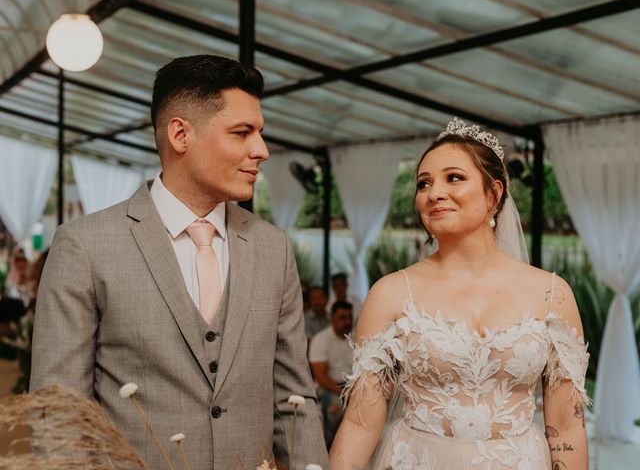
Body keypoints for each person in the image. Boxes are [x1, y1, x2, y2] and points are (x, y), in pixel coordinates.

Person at [31, 55, 328, 470]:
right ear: (180, 134)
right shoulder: (85, 245)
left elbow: (294, 398)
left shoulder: (272, 248)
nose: (260, 150)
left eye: (260, 133)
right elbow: (58, 415)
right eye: (241, 133)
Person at [330, 118, 589, 469]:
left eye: (454, 177)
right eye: (424, 183)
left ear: (494, 193)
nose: (434, 193)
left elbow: (567, 426)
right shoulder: (390, 294)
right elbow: (361, 424)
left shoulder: (551, 294)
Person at [308, 300, 354, 447]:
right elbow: (321, 378)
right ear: (332, 318)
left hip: (352, 386)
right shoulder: (320, 340)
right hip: (329, 387)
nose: (347, 321)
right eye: (342, 317)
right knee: (335, 409)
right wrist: (344, 393)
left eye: (349, 317)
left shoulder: (357, 337)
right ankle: (329, 449)